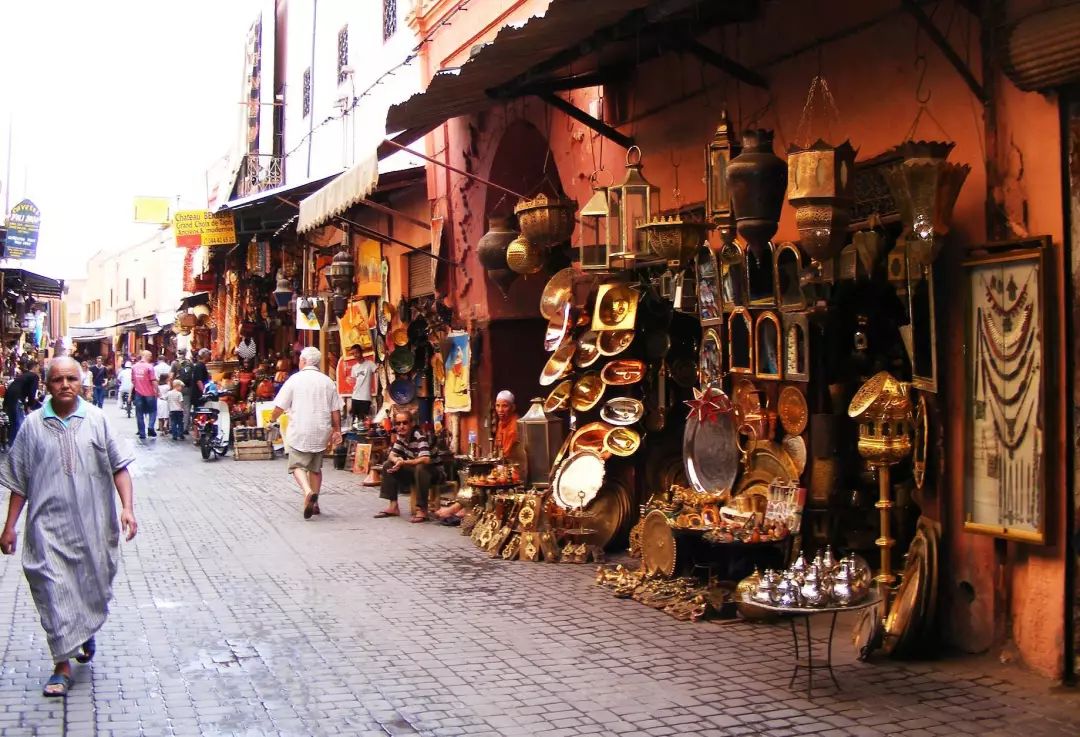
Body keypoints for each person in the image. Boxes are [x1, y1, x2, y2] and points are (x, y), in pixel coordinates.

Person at [0, 356, 137, 698]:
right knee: (51, 588)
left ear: (82, 383)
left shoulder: (97, 420)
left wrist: (128, 509)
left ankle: (84, 631)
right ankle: (62, 664)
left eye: (71, 379)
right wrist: (9, 527)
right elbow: (19, 482)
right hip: (46, 528)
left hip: (93, 525)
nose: (65, 385)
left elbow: (120, 467)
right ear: (46, 385)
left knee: (91, 586)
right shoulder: (31, 425)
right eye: (58, 379)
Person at [269, 347, 342, 520]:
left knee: (296, 466)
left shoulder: (295, 380)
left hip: (300, 429)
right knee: (315, 468)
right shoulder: (327, 382)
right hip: (321, 430)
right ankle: (315, 504)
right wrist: (337, 429)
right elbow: (335, 410)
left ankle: (308, 492)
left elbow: (280, 406)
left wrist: (271, 420)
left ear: (303, 361)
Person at [375, 409, 432, 523]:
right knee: (388, 464)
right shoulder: (401, 437)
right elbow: (391, 455)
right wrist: (397, 460)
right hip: (415, 473)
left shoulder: (419, 435)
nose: (401, 426)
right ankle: (393, 506)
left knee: (420, 467)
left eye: (405, 423)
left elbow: (426, 459)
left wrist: (404, 462)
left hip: (433, 473)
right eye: (398, 423)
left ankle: (422, 509)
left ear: (411, 424)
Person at [3, 360, 39, 442]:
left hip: (9, 397)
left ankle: (11, 446)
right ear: (34, 367)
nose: (38, 369)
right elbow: (32, 392)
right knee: (19, 424)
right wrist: (30, 406)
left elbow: (11, 387)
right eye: (38, 367)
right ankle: (17, 448)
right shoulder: (34, 376)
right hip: (17, 398)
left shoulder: (23, 376)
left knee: (13, 424)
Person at [131, 351, 158, 440]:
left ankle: (142, 433)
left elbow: (133, 380)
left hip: (138, 393)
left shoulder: (134, 367)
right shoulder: (150, 367)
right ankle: (150, 426)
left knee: (139, 413)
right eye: (150, 356)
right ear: (145, 356)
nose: (151, 357)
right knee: (153, 411)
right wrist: (157, 391)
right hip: (149, 393)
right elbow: (153, 380)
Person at [348, 344, 377, 427]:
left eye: (356, 353)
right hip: (355, 397)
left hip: (365, 398)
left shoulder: (370, 364)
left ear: (361, 352)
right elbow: (354, 382)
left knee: (364, 422)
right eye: (353, 354)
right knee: (355, 422)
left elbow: (379, 371)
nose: (355, 355)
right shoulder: (354, 367)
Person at [170, 349, 195, 436]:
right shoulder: (190, 363)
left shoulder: (175, 363)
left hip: (177, 387)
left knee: (174, 406)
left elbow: (171, 376)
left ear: (178, 353)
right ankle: (185, 428)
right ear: (186, 353)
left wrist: (171, 387)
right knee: (186, 408)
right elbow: (193, 376)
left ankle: (173, 427)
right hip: (187, 388)